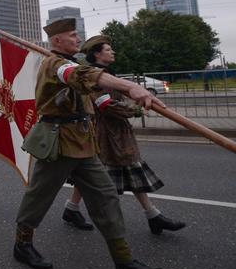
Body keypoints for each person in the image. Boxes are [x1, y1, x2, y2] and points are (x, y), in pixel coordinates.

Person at [13, 18, 168, 269]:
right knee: (39, 196)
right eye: (73, 35)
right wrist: (132, 87)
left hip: (83, 144)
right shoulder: (55, 64)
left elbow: (96, 88)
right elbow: (81, 76)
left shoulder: (74, 64)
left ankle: (125, 263)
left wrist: (132, 101)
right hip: (59, 144)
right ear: (57, 40)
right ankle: (22, 244)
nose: (78, 38)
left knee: (106, 196)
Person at [62, 36, 186, 235]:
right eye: (108, 50)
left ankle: (72, 209)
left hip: (115, 131)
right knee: (113, 170)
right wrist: (135, 111)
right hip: (107, 133)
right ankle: (149, 217)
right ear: (97, 54)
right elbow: (105, 106)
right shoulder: (95, 78)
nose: (113, 52)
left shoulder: (108, 74)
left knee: (99, 172)